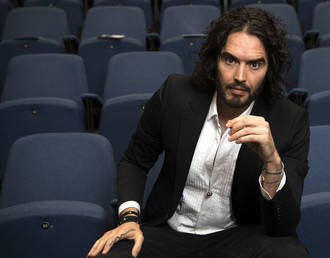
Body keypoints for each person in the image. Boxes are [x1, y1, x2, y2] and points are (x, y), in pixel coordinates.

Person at [88, 6, 310, 258]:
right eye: (230, 60)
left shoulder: (290, 120)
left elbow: (283, 226)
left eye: (255, 64)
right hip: (168, 231)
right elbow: (134, 162)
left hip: (237, 237)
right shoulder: (174, 94)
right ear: (215, 59)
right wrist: (129, 219)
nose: (240, 76)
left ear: (269, 69)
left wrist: (272, 162)